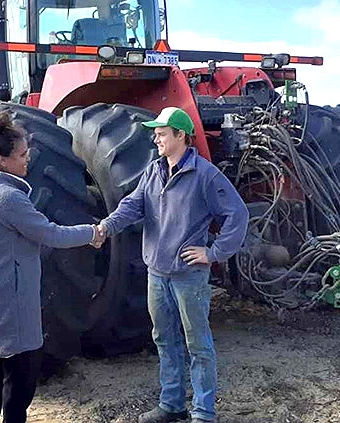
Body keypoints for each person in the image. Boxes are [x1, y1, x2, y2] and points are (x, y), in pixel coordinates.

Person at [97, 107, 249, 423]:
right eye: (156, 133)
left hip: (188, 277)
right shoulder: (153, 172)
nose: (156, 138)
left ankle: (204, 413)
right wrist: (106, 227)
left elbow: (238, 214)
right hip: (157, 273)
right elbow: (132, 206)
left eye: (162, 133)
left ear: (181, 135)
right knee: (164, 340)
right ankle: (172, 405)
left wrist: (214, 252)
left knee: (198, 345)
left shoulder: (205, 175)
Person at [0, 110, 104, 423]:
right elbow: (50, 234)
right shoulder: (7, 198)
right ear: (2, 160)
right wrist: (92, 233)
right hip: (12, 306)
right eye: (22, 154)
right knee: (21, 379)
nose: (28, 159)